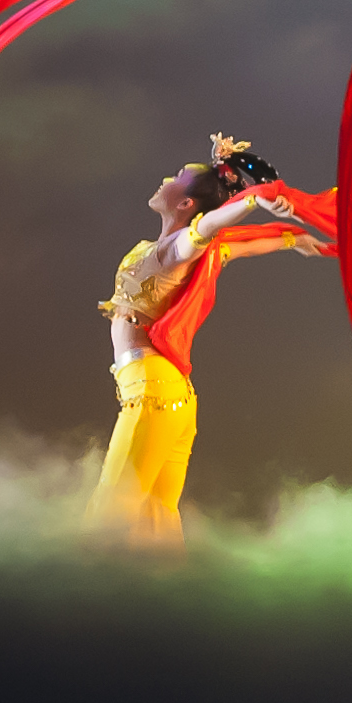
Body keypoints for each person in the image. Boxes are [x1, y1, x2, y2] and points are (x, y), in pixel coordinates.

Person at [93, 133, 328, 544]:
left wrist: (254, 199)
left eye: (176, 178)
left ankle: (76, 600)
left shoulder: (179, 249)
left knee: (113, 515)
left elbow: (212, 226)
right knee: (156, 520)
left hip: (153, 392)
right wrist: (292, 239)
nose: (166, 178)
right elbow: (235, 248)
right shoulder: (169, 248)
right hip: (172, 397)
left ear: (186, 205)